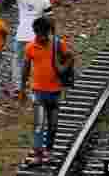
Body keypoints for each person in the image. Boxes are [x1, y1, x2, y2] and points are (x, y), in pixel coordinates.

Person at [20, 17, 73, 167]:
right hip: (38, 92)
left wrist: (63, 69)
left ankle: (48, 153)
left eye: (45, 33)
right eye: (40, 34)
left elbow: (70, 56)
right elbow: (25, 68)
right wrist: (22, 88)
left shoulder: (57, 44)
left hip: (55, 93)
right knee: (39, 125)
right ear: (35, 32)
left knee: (53, 125)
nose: (43, 37)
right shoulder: (30, 47)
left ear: (48, 32)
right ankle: (38, 154)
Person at [9, 0, 52, 97]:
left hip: (21, 35)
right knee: (35, 63)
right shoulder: (44, 0)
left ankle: (17, 87)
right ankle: (35, 90)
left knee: (18, 60)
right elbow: (49, 18)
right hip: (36, 36)